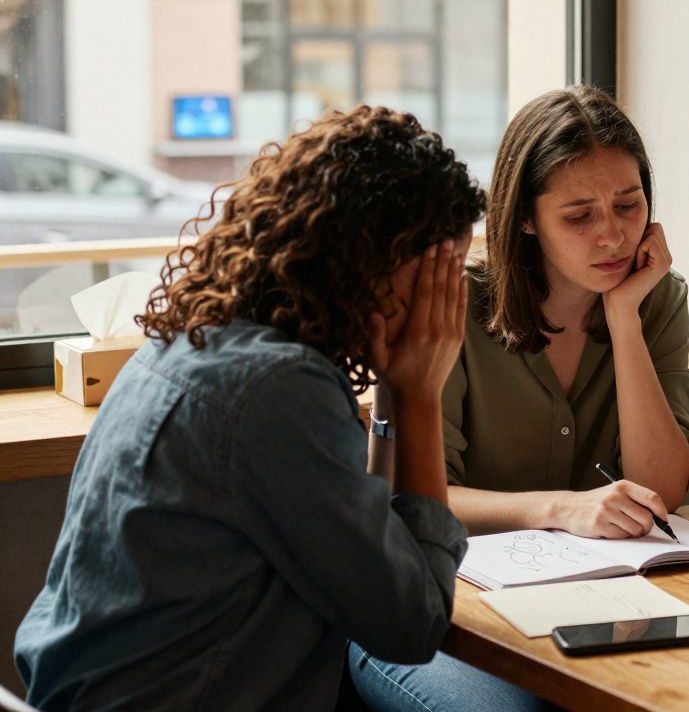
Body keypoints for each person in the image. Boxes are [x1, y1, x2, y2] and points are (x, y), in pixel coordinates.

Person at [13, 106, 483, 709]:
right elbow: (410, 626)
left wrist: (394, 390)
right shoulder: (280, 390)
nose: (442, 304)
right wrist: (421, 396)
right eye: (437, 276)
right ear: (367, 259)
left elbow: (370, 553)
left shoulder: (192, 340)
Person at [350, 85, 689, 710]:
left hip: (586, 599)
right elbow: (418, 501)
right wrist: (561, 508)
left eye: (629, 204)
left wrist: (624, 316)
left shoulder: (657, 298)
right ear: (524, 218)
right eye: (579, 216)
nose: (613, 237)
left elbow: (661, 488)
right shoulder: (451, 301)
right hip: (439, 610)